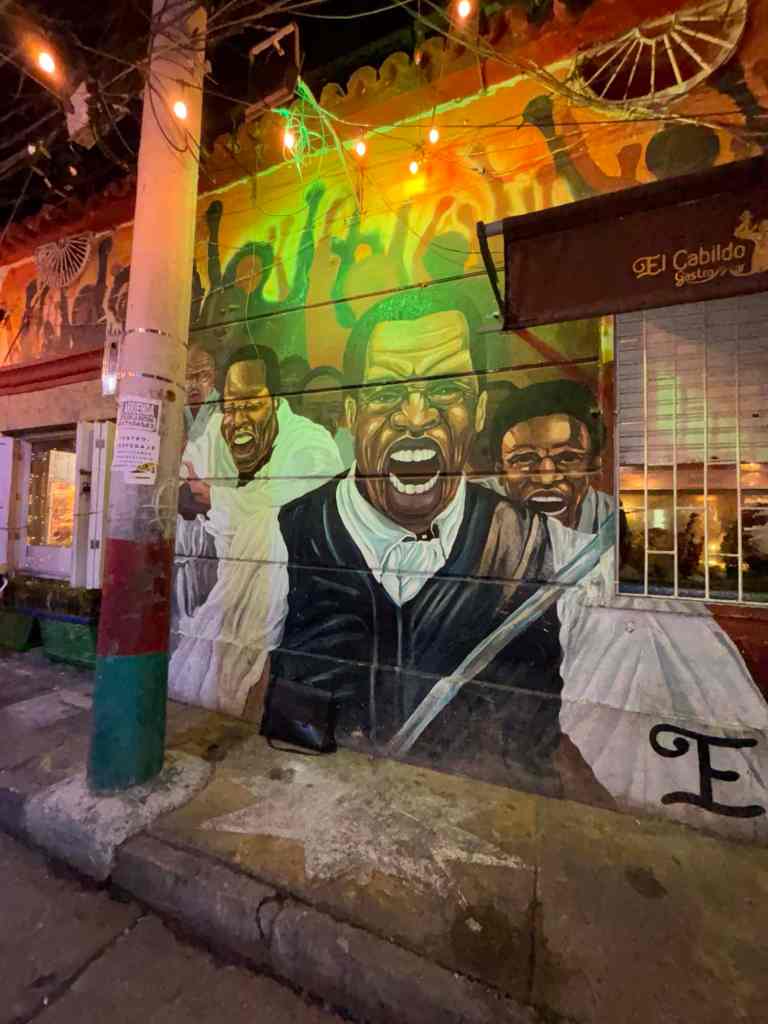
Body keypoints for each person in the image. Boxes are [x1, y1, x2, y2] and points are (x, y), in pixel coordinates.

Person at [172, 291, 609, 801]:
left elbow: (582, 734)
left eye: (445, 389)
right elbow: (245, 682)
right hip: (312, 804)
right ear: (353, 412)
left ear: (478, 409)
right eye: (385, 392)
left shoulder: (549, 549)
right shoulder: (283, 533)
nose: (416, 416)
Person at [171, 343, 342, 623]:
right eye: (230, 407)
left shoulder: (311, 444)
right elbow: (185, 477)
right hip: (223, 608)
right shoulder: (218, 428)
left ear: (275, 402)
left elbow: (286, 510)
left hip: (295, 612)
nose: (238, 420)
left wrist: (214, 499)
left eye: (251, 405)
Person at [490, 380, 608, 531]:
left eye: (568, 458)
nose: (547, 478)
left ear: (593, 466)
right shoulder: (478, 515)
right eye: (524, 459)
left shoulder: (610, 519)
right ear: (500, 471)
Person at [299, 365, 354, 467]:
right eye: (313, 408)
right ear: (300, 411)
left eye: (333, 408)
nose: (323, 416)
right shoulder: (286, 446)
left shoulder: (358, 450)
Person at [183, 345, 219, 445]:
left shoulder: (225, 411)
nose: (194, 385)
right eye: (188, 376)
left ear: (214, 377)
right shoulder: (174, 411)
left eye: (204, 376)